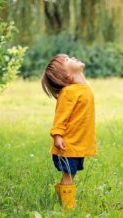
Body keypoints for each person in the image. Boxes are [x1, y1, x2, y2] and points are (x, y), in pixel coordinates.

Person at [41, 53, 98, 209]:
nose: (72, 58)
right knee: (68, 174)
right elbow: (61, 116)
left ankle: (64, 201)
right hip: (67, 145)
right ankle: (68, 208)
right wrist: (57, 135)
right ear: (65, 75)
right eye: (66, 60)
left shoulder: (82, 87)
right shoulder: (68, 92)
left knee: (71, 174)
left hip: (77, 144)